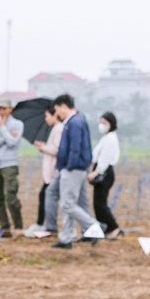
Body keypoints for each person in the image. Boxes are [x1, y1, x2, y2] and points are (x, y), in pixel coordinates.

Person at [49, 95, 100, 250]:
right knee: (69, 203)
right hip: (73, 167)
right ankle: (66, 238)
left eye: (57, 110)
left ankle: (94, 227)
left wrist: (69, 166)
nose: (57, 114)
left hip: (73, 168)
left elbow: (75, 148)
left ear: (64, 106)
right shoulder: (72, 121)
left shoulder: (75, 122)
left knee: (68, 204)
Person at [0, 98, 25, 237]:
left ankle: (18, 226)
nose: (1, 111)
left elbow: (13, 142)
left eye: (4, 108)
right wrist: (3, 138)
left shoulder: (17, 124)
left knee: (10, 196)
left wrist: (2, 128)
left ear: (10, 109)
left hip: (9, 164)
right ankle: (5, 227)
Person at [25, 108, 62, 238]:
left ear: (54, 115)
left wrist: (44, 147)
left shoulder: (58, 129)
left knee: (45, 196)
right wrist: (44, 146)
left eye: (47, 116)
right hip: (50, 172)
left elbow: (58, 150)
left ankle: (43, 225)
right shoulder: (55, 129)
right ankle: (43, 224)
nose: (45, 119)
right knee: (45, 196)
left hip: (53, 171)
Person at [90, 111, 122, 240]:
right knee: (98, 203)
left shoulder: (110, 139)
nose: (101, 125)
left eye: (104, 123)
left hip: (105, 172)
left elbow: (105, 158)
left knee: (100, 203)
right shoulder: (106, 137)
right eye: (100, 122)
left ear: (111, 124)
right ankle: (105, 228)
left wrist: (96, 172)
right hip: (103, 171)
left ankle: (113, 227)